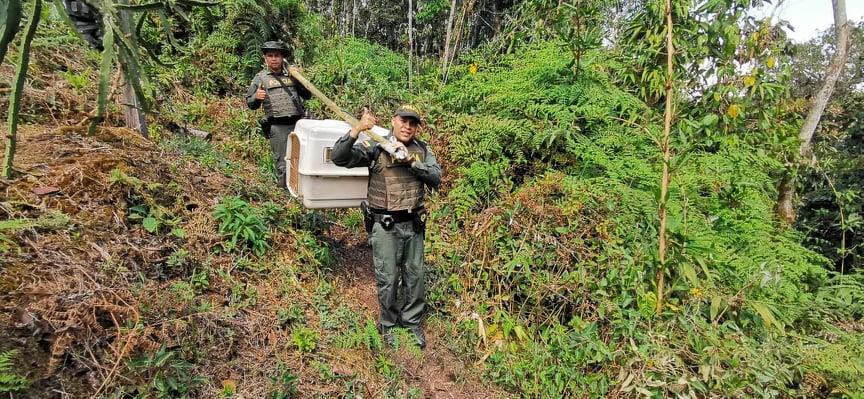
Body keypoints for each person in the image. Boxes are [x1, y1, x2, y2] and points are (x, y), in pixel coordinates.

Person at [331, 105, 442, 349]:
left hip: (414, 225)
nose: (407, 126)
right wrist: (357, 129)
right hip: (386, 226)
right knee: (388, 278)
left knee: (415, 276)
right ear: (393, 121)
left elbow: (436, 177)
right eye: (403, 121)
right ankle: (388, 324)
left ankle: (411, 322)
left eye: (413, 123)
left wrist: (411, 162)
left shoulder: (421, 150)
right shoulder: (376, 147)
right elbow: (339, 158)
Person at [245, 40, 311, 189]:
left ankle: (302, 192)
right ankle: (285, 195)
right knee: (283, 164)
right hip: (278, 127)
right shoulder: (260, 78)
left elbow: (307, 95)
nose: (274, 59)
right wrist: (257, 97)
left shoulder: (293, 75)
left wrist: (300, 79)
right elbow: (250, 103)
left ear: (282, 58)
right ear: (265, 58)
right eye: (270, 55)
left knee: (302, 160)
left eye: (277, 55)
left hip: (298, 125)